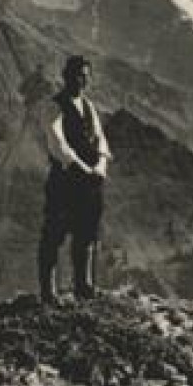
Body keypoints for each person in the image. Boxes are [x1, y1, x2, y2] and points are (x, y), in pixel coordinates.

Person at [38, 55, 111, 304]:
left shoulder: (89, 107)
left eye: (85, 76)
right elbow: (57, 143)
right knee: (54, 234)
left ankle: (84, 285)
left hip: (89, 181)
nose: (81, 80)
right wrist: (81, 167)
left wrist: (100, 165)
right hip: (65, 180)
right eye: (77, 75)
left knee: (87, 232)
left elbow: (100, 139)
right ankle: (49, 292)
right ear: (66, 76)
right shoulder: (54, 106)